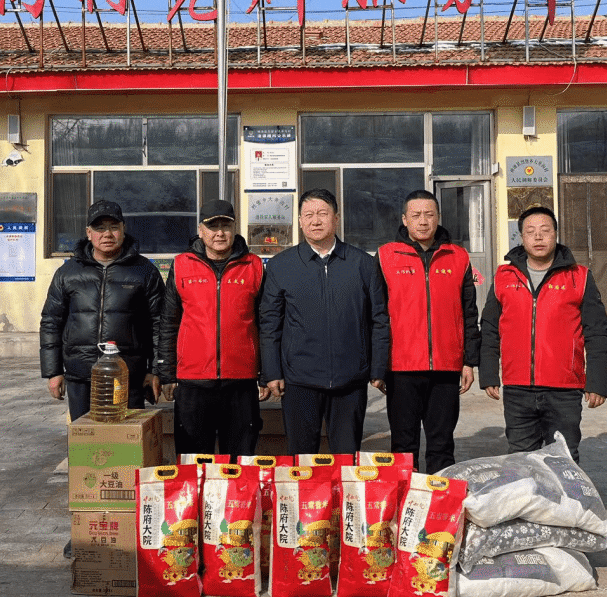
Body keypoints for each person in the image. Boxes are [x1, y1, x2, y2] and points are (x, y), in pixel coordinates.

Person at [258, 188, 390, 455]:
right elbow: (269, 323)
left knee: (346, 457)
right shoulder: (281, 266)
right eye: (308, 215)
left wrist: (378, 367)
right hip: (299, 380)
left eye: (322, 214)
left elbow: (379, 319)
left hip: (349, 380)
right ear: (299, 221)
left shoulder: (363, 264)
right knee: (301, 459)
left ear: (336, 218)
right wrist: (271, 372)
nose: (315, 221)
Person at [478, 206, 607, 463]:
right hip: (518, 388)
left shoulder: (579, 277)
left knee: (563, 458)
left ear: (556, 234)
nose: (538, 237)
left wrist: (598, 382)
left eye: (545, 230)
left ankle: (563, 492)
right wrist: (489, 373)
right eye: (530, 231)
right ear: (521, 237)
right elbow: (490, 328)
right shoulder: (504, 277)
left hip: (564, 388)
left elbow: (597, 333)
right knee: (521, 458)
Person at [154, 199, 268, 459]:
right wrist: (167, 373)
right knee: (193, 459)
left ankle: (236, 489)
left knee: (240, 460)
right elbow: (168, 322)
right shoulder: (182, 265)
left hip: (241, 380)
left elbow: (265, 325)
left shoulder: (253, 266)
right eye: (212, 226)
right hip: (193, 380)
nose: (219, 233)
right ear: (200, 230)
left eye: (225, 226)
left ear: (234, 228)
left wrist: (266, 374)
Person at [377, 190, 480, 473]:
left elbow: (469, 313)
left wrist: (469, 361)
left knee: (442, 444)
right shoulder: (386, 256)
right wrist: (378, 366)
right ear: (404, 219)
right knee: (403, 445)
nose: (423, 221)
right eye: (416, 215)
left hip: (446, 367)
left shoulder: (458, 257)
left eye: (429, 215)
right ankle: (405, 498)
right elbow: (376, 316)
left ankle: (440, 498)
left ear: (438, 217)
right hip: (401, 367)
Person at [39, 199, 165, 422]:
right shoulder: (68, 273)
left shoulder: (144, 271)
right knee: (86, 437)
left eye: (113, 227)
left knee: (126, 438)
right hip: (81, 376)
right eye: (100, 228)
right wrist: (53, 372)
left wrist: (155, 370)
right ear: (89, 233)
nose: (107, 234)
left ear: (123, 230)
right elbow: (51, 322)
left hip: (128, 376)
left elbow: (160, 323)